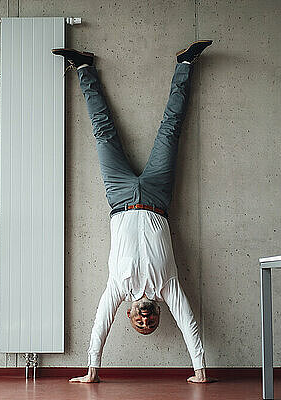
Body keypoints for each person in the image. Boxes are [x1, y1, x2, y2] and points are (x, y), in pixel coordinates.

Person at [52, 40, 215, 384]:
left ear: (127, 313)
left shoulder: (117, 287)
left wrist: (92, 369)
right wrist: (199, 369)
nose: (145, 320)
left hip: (120, 197)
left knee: (102, 132)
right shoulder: (169, 286)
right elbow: (188, 322)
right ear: (157, 315)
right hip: (156, 195)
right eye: (151, 323)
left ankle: (84, 67)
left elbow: (99, 324)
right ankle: (185, 64)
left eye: (139, 322)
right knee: (171, 130)